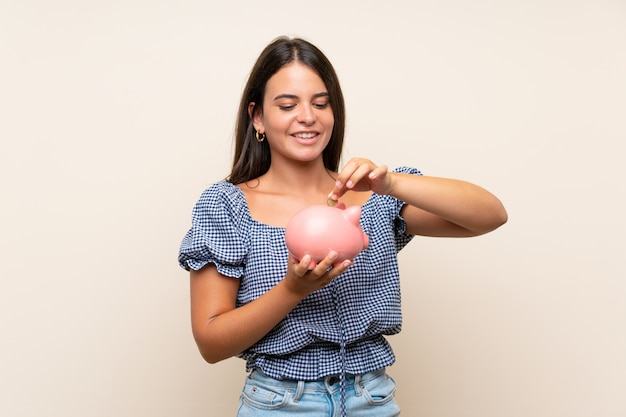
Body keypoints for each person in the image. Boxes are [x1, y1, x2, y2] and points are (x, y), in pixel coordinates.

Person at [178, 36, 507, 417]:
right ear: (257, 117)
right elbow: (211, 343)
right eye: (287, 105)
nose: (308, 116)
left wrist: (394, 184)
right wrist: (292, 289)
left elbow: (490, 215)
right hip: (280, 405)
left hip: (373, 399)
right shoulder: (227, 205)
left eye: (321, 103)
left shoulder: (373, 198)